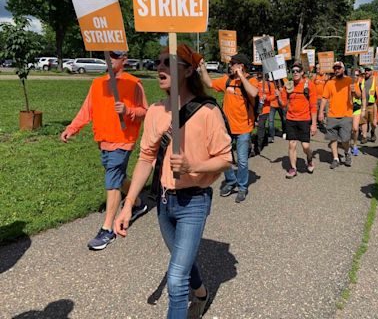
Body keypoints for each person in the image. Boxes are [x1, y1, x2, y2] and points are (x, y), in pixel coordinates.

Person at [114, 44, 232, 319]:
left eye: (169, 62)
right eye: (158, 62)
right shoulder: (155, 111)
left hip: (194, 202)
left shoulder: (207, 111)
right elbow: (145, 159)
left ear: (189, 70)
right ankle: (201, 293)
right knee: (183, 262)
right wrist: (128, 204)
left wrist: (195, 166)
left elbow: (226, 159)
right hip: (164, 204)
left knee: (176, 280)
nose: (160, 67)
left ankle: (192, 298)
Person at [60, 51, 148, 250]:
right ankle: (139, 202)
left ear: (124, 59)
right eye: (107, 56)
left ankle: (107, 229)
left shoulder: (134, 83)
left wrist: (128, 111)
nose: (110, 60)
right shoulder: (97, 83)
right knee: (117, 176)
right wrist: (72, 128)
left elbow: (145, 111)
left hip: (123, 140)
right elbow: (86, 110)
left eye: (115, 56)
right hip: (103, 140)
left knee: (113, 179)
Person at [198, 52, 258, 203]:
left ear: (240, 66)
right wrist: (203, 68)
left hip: (244, 128)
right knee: (223, 157)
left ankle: (242, 187)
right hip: (226, 128)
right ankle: (231, 181)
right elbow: (209, 83)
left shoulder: (251, 80)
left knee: (242, 161)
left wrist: (241, 76)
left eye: (232, 64)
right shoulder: (227, 80)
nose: (229, 66)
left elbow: (254, 92)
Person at [278, 62, 317, 178]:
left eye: (297, 71)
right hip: (291, 119)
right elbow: (283, 104)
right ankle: (293, 168)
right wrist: (278, 96)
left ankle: (309, 159)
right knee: (292, 144)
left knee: (305, 146)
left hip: (304, 119)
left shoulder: (309, 85)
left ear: (302, 73)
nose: (295, 73)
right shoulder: (288, 85)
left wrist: (314, 124)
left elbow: (313, 106)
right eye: (293, 71)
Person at [318, 61, 355, 168]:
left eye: (339, 68)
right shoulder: (330, 83)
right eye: (335, 68)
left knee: (345, 139)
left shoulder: (350, 81)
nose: (337, 70)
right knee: (333, 138)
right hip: (332, 115)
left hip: (346, 114)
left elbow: (358, 95)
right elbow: (324, 98)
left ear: (343, 69)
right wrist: (321, 112)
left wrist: (354, 90)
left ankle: (347, 153)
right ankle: (335, 158)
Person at [255, 71, 276, 154]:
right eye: (259, 78)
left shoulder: (270, 85)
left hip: (265, 109)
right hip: (254, 109)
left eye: (262, 78)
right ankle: (264, 139)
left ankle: (259, 146)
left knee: (260, 126)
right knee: (255, 126)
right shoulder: (254, 83)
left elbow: (274, 96)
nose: (260, 80)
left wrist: (267, 97)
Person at [359, 66, 378, 143]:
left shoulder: (375, 80)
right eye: (366, 70)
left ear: (372, 71)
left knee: (373, 123)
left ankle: (373, 132)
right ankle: (364, 137)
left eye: (368, 70)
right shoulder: (362, 80)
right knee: (363, 121)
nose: (366, 72)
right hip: (363, 105)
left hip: (372, 105)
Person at [351, 68, 366, 156]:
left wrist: (363, 110)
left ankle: (355, 145)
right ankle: (348, 145)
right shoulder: (348, 83)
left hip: (357, 108)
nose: (355, 77)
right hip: (348, 108)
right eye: (353, 74)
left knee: (355, 129)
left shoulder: (360, 84)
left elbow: (363, 98)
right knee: (348, 129)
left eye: (357, 75)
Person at [311, 64, 331, 132]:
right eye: (317, 68)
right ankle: (318, 124)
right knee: (317, 111)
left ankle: (327, 126)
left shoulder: (327, 77)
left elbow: (330, 86)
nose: (318, 69)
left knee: (326, 112)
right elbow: (311, 86)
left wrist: (327, 80)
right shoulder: (315, 76)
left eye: (319, 68)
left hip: (324, 98)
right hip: (316, 98)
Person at [268, 77, 287, 142]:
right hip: (272, 105)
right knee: (270, 121)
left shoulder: (284, 82)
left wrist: (282, 91)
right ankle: (271, 136)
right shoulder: (270, 83)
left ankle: (284, 132)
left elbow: (287, 93)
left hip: (281, 105)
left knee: (284, 119)